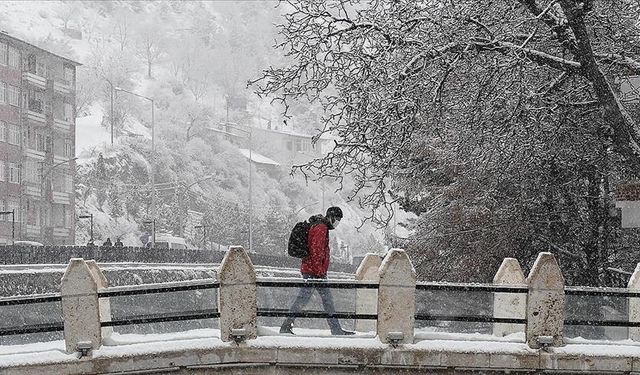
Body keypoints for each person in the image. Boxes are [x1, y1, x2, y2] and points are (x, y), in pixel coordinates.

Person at [280, 206, 354, 336]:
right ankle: (335, 329)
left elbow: (318, 252)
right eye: (336, 219)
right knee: (319, 300)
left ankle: (287, 325)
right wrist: (319, 271)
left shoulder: (320, 226)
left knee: (312, 300)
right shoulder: (321, 228)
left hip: (314, 271)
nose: (337, 222)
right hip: (314, 271)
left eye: (339, 220)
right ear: (330, 217)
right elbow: (316, 252)